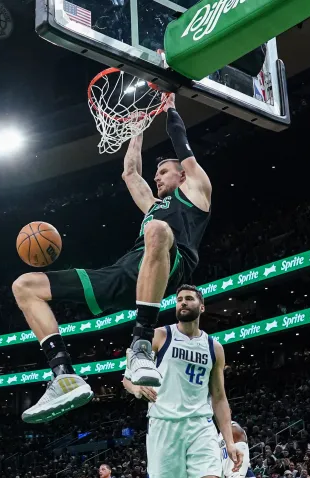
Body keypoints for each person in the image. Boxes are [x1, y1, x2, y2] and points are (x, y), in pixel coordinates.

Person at [15, 93, 211, 423]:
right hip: (127, 270)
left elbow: (183, 146)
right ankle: (63, 375)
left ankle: (141, 344)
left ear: (182, 176)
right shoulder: (153, 207)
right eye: (157, 172)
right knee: (25, 286)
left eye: (163, 171)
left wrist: (171, 108)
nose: (157, 176)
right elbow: (131, 173)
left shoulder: (197, 192)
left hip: (173, 265)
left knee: (158, 231)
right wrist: (137, 127)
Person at [119, 284, 239, 478]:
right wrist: (137, 389)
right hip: (164, 425)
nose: (182, 303)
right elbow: (127, 375)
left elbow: (220, 398)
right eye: (179, 300)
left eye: (189, 299)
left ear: (202, 306)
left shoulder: (214, 348)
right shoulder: (161, 335)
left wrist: (230, 441)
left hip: (200, 425)